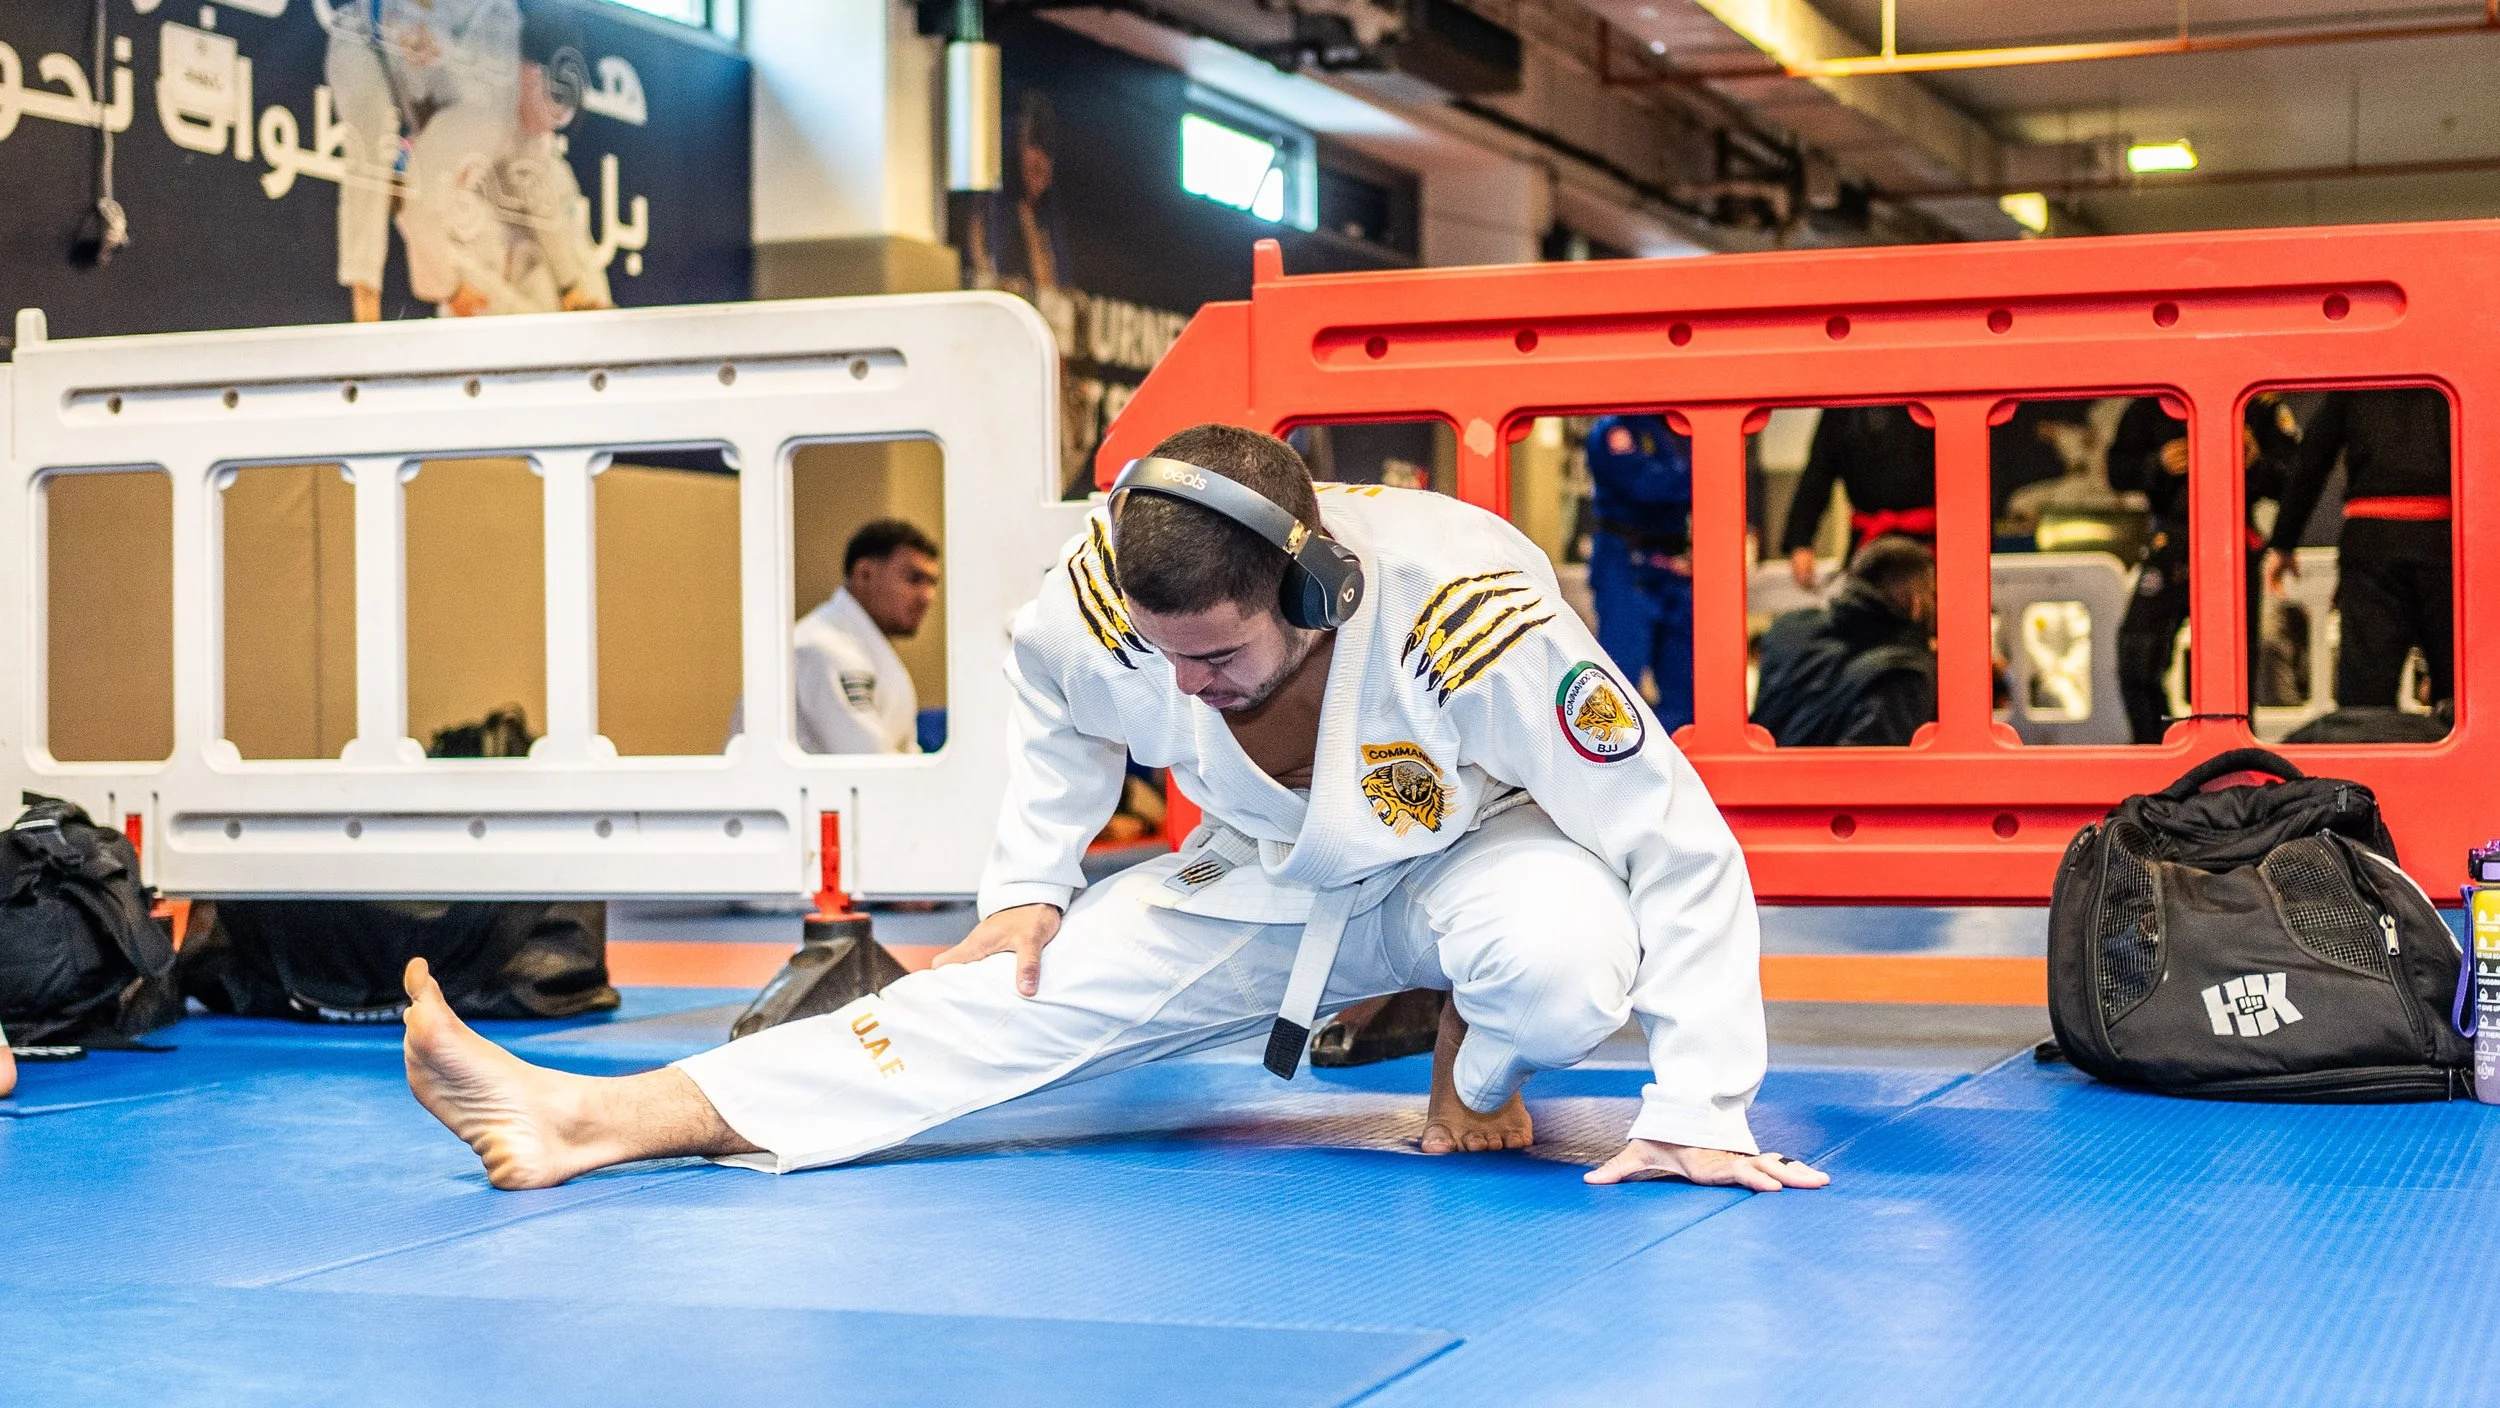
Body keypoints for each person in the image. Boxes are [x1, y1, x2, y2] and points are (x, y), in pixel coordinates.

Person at [403, 424, 1825, 1195]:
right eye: (1167, 654)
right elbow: (1060, 716)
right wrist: (1028, 881)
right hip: (1274, 877)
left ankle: (1476, 1061)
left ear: (1315, 593)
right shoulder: (1101, 602)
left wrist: (1700, 1102)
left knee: (1561, 965)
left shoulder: (1467, 613)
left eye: (1221, 653)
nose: (1188, 688)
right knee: (1005, 992)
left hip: (1487, 855)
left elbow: (1671, 832)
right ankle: (596, 1122)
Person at [2107, 394, 2301, 743]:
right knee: (2136, 658)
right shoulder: (2156, 400)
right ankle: (2155, 752)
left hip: (2234, 540)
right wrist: (2157, 464)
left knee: (2229, 677)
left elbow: (2294, 478)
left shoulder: (2256, 404)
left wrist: (2255, 463)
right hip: (2172, 540)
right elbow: (2117, 469)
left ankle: (2225, 765)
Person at [2265, 388, 2453, 713]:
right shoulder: (2456, 368)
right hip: (2447, 537)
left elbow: (2312, 458)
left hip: (2372, 543)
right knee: (2462, 689)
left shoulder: (2361, 380)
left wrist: (2283, 541)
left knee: (2366, 694)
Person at [731, 520, 940, 755]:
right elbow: (868, 761)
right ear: (864, 574)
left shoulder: (862, 647)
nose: (927, 596)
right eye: (914, 579)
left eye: (933, 583)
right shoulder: (823, 648)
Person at [1749, 536, 1937, 748]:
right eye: (1933, 594)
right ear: (1916, 603)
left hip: (1752, 777)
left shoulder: (1788, 630)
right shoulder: (1904, 673)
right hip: (1825, 780)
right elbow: (1872, 770)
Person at [1583, 414, 1695, 731]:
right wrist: (1703, 474)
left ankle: (1676, 767)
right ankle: (1612, 768)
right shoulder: (1614, 429)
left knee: (1686, 697)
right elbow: (1647, 486)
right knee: (1618, 688)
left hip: (1674, 568)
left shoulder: (1680, 424)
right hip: (1626, 565)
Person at [1780, 406, 1935, 589]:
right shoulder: (1841, 410)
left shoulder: (1930, 397)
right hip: (1867, 547)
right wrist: (1800, 542)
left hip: (1931, 545)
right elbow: (1817, 476)